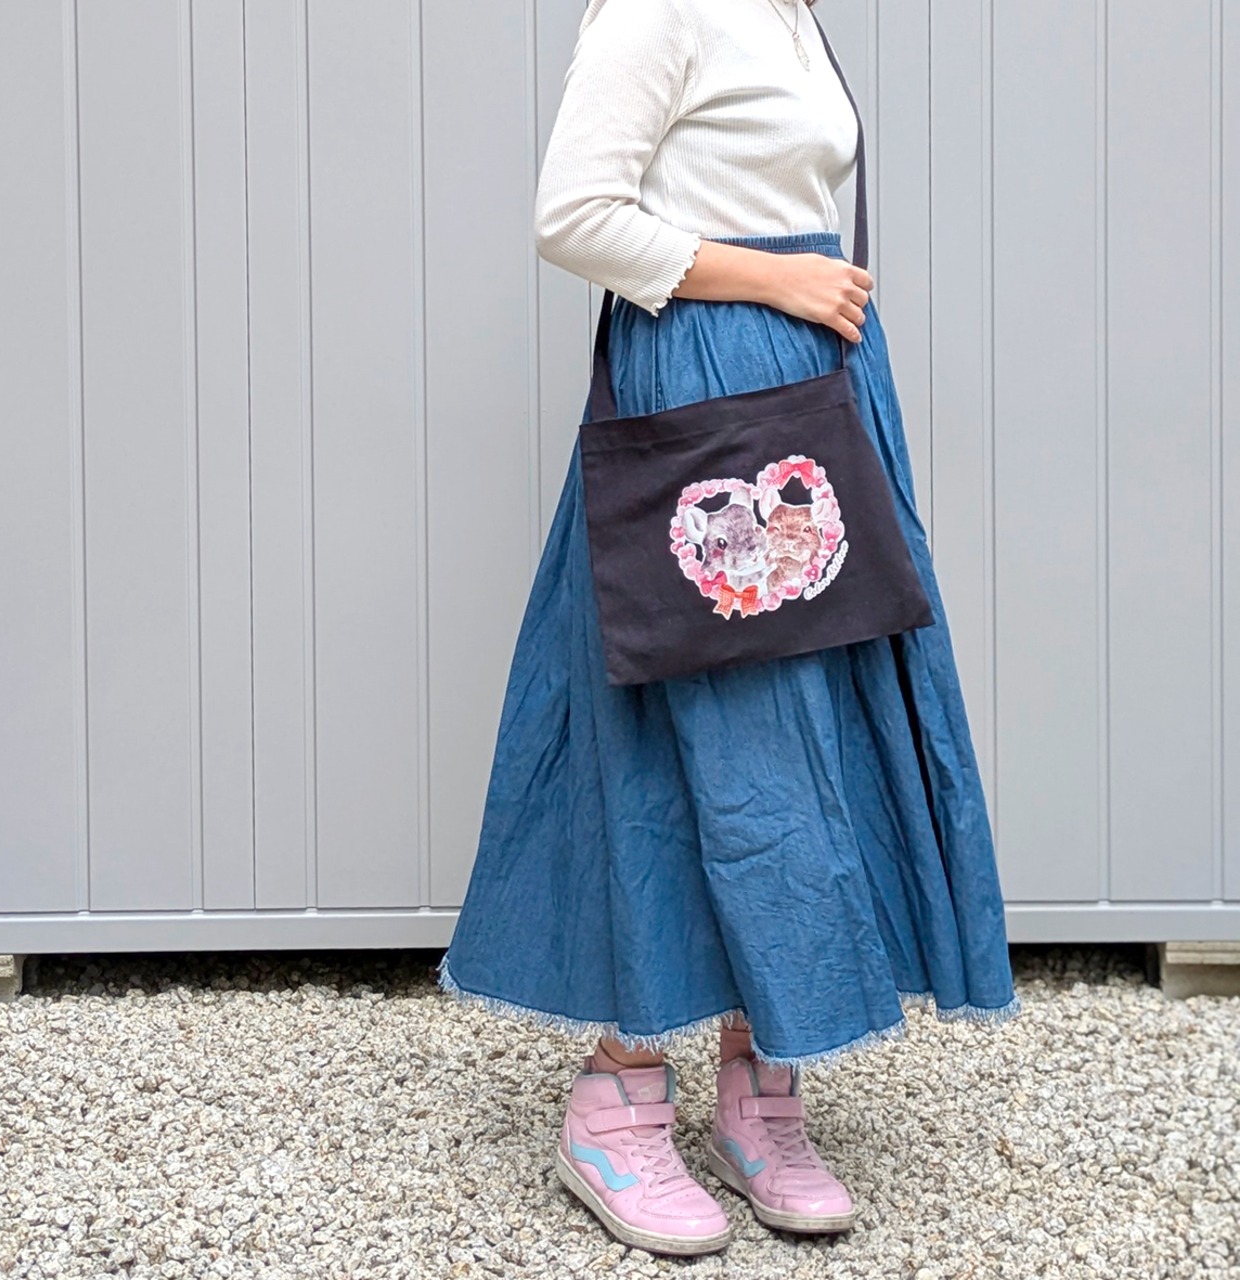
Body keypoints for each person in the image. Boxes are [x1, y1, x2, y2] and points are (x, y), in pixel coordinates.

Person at [436, 0, 1021, 1258]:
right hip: (705, 394)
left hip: (811, 390)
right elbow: (572, 215)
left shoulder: (789, 11)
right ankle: (617, 1097)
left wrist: (805, 302)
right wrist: (778, 277)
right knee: (689, 724)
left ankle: (761, 1078)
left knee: (813, 730)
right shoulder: (660, 7)